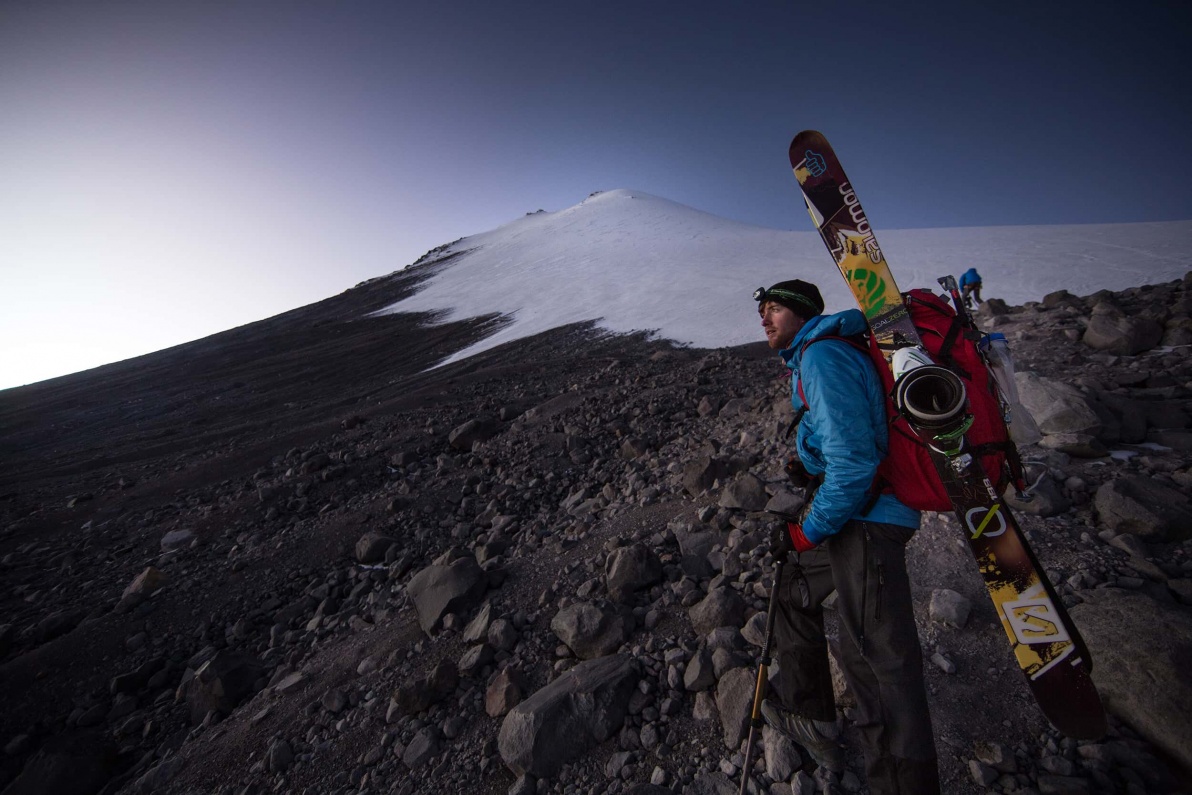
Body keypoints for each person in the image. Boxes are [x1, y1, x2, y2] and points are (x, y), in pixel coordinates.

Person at [754, 280, 940, 795]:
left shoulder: (822, 356)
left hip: (870, 520)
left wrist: (805, 531)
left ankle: (903, 785)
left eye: (775, 309)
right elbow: (845, 436)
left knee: (876, 660)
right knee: (793, 582)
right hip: (857, 513)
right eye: (763, 311)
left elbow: (855, 463)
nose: (765, 319)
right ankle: (812, 717)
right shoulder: (814, 356)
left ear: (803, 313)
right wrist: (808, 462)